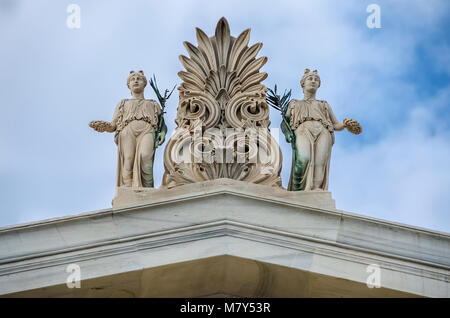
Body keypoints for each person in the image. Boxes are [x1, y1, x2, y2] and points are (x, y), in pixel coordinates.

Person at [282, 69, 361, 191]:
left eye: (316, 80)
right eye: (310, 79)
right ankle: (299, 190)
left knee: (320, 163)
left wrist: (345, 124)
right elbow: (285, 122)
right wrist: (287, 134)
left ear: (319, 85)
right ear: (303, 84)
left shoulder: (324, 104)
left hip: (323, 131)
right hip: (303, 129)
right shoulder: (294, 103)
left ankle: (316, 190)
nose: (313, 81)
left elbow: (335, 125)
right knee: (304, 159)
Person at [90, 70, 166, 187]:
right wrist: (105, 127)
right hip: (127, 131)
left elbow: (162, 125)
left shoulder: (153, 104)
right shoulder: (123, 103)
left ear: (144, 84)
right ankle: (128, 190)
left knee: (146, 158)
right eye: (132, 79)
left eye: (139, 79)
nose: (135, 80)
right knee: (128, 160)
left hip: (147, 131)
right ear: (128, 85)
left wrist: (162, 133)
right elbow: (113, 125)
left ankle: (147, 190)